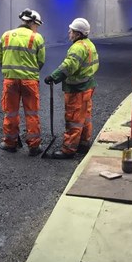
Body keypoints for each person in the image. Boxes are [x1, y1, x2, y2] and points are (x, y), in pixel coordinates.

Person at [44, 18, 99, 159]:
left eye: (72, 31)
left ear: (78, 34)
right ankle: (83, 143)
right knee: (84, 117)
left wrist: (53, 77)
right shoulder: (89, 45)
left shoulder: (77, 47)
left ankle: (68, 149)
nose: (69, 32)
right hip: (88, 85)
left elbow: (69, 66)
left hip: (77, 89)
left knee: (73, 118)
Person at [0, 8, 45, 156]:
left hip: (10, 81)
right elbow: (41, 61)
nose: (36, 28)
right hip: (29, 82)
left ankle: (10, 143)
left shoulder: (6, 35)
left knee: (10, 112)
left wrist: (10, 71)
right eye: (36, 25)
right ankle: (34, 146)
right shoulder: (37, 38)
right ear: (32, 23)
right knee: (31, 113)